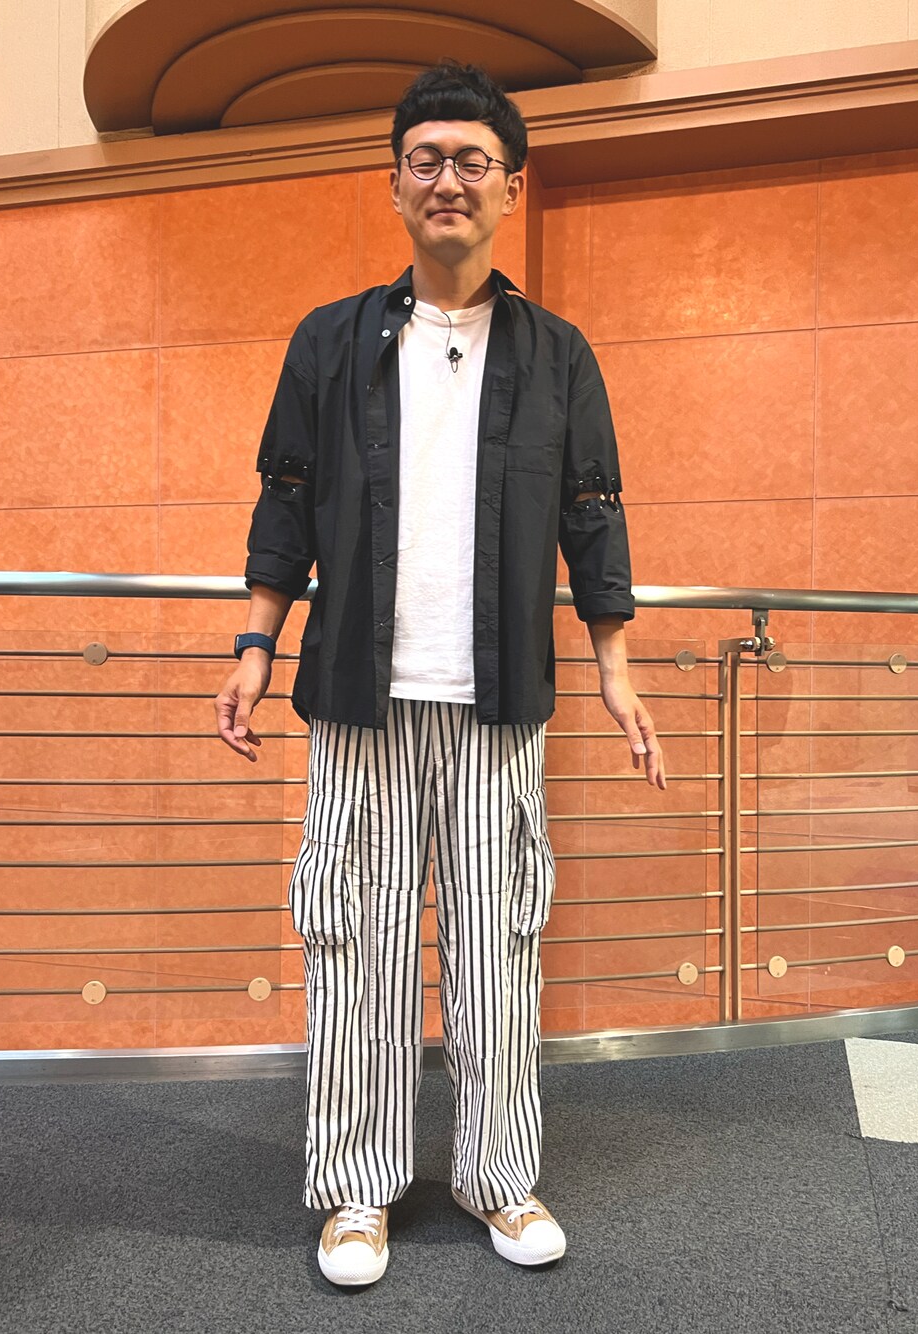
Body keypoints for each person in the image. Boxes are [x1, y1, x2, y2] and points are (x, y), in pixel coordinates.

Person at [214, 59, 667, 1288]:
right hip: (357, 700)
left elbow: (593, 513)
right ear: (395, 184)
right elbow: (285, 502)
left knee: (497, 944)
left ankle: (497, 1174)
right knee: (354, 942)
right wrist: (254, 644)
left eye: (472, 160)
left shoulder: (558, 354)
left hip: (497, 705)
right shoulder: (329, 342)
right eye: (426, 159)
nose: (447, 179)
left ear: (510, 186)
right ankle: (357, 1188)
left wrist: (615, 667)